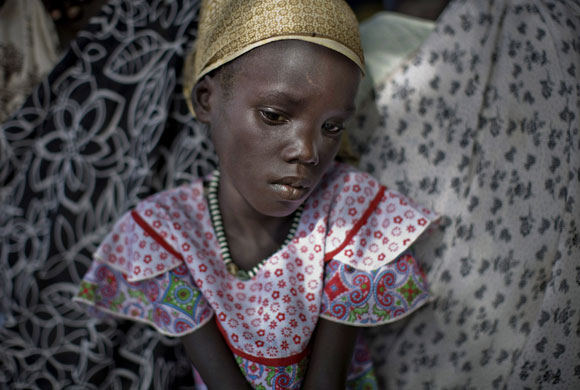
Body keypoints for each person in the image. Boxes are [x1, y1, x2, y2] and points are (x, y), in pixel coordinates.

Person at [73, 0, 439, 388]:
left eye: (331, 126)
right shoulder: (167, 232)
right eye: (274, 116)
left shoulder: (349, 213)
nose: (308, 150)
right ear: (206, 100)